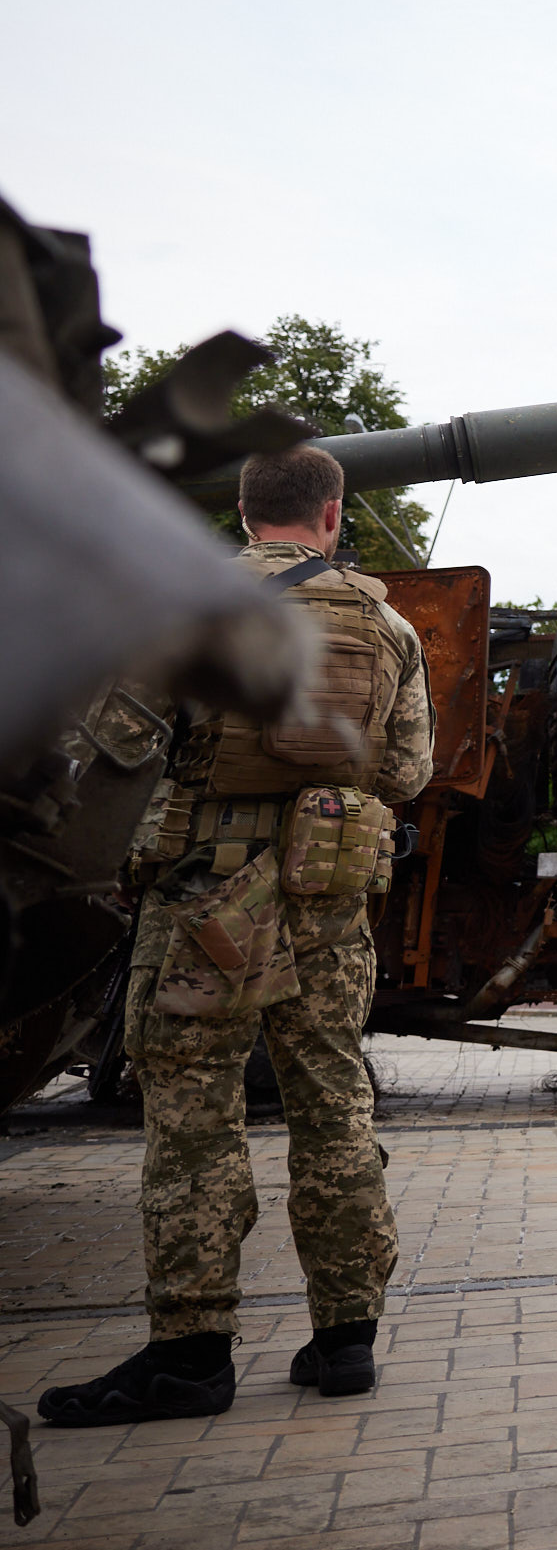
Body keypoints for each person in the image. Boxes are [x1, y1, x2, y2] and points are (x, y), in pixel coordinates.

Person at [42, 445, 431, 1425]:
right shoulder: (386, 626)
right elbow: (409, 773)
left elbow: (113, 749)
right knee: (336, 1109)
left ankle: (190, 1354)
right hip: (330, 904)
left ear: (247, 513)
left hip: (205, 907)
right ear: (333, 514)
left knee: (193, 1126)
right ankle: (346, 1340)